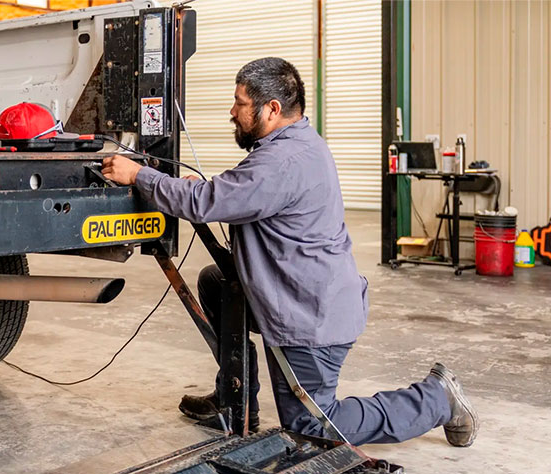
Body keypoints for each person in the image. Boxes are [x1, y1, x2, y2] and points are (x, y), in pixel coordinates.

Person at [101, 57, 478, 447]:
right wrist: (202, 189)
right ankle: (235, 399)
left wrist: (140, 175)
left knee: (312, 427)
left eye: (240, 103)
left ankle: (437, 399)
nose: (232, 112)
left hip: (310, 315)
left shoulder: (283, 160)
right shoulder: (294, 143)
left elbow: (208, 202)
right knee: (218, 283)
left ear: (272, 109)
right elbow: (236, 193)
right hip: (299, 291)